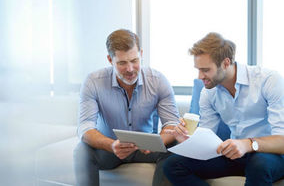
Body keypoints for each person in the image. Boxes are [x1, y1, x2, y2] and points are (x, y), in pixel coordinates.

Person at [163, 32, 284, 186]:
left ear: (226, 63)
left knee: (259, 165)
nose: (200, 76)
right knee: (173, 165)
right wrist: (187, 140)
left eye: (206, 70)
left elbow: (282, 141)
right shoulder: (208, 92)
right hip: (235, 154)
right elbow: (207, 137)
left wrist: (247, 144)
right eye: (198, 69)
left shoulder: (269, 80)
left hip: (270, 154)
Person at [73, 29, 179, 186]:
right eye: (122, 63)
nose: (130, 69)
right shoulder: (93, 81)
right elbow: (85, 127)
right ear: (110, 59)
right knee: (82, 151)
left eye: (134, 60)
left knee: (175, 148)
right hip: (110, 148)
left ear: (141, 54)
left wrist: (155, 142)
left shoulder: (158, 80)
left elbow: (172, 124)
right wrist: (110, 145)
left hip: (146, 149)